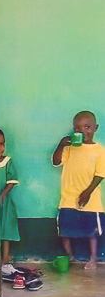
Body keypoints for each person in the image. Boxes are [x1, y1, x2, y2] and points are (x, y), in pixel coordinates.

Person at [53, 110, 105, 270]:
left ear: (95, 128)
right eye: (77, 128)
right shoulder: (70, 148)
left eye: (87, 127)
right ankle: (71, 257)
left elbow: (100, 174)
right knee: (65, 231)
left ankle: (93, 259)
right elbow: (55, 162)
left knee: (92, 232)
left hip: (91, 198)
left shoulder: (99, 150)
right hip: (68, 197)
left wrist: (87, 192)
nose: (82, 131)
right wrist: (61, 145)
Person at [0, 128, 21, 275]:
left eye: (2, 144)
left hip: (3, 203)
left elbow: (11, 181)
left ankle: (5, 260)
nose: (0, 147)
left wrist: (3, 194)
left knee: (5, 231)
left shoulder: (7, 161)